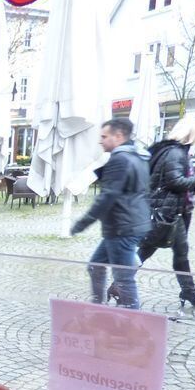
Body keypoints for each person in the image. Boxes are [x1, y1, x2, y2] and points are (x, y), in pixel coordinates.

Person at [71, 118, 150, 310]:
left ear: (119, 136)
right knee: (95, 266)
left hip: (122, 228)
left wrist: (83, 222)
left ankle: (132, 319)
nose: (101, 141)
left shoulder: (120, 159)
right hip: (130, 224)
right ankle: (99, 307)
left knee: (123, 279)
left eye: (104, 137)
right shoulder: (138, 156)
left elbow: (108, 196)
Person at [138, 116, 195, 310]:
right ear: (191, 133)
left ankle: (189, 291)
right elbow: (175, 182)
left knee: (173, 252)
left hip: (171, 210)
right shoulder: (175, 152)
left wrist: (194, 177)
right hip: (169, 212)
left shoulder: (170, 150)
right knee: (152, 249)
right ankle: (120, 283)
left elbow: (173, 180)